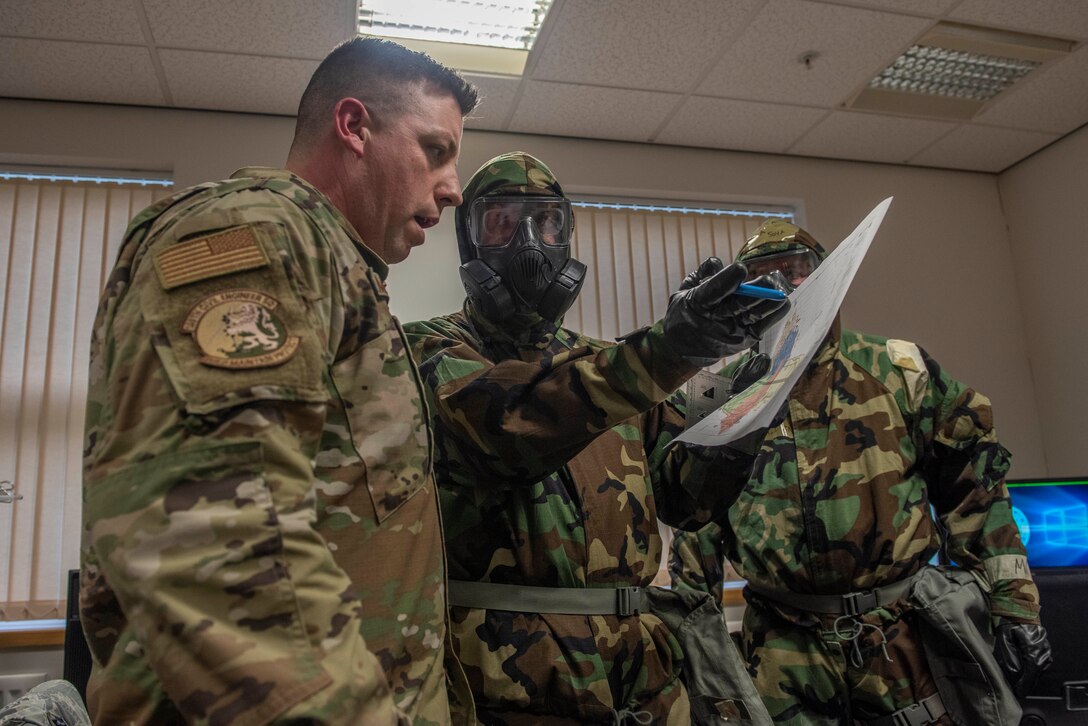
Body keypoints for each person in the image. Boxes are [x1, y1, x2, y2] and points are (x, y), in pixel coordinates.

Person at [79, 38, 478, 725]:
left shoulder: (340, 270)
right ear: (354, 128)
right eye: (435, 151)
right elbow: (220, 541)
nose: (453, 187)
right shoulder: (257, 233)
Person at [403, 152, 789, 724]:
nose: (531, 243)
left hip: (642, 676)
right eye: (503, 222)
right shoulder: (425, 352)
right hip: (508, 681)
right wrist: (670, 350)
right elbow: (511, 431)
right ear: (470, 243)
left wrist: (740, 418)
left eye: (548, 222)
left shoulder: (617, 365)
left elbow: (687, 502)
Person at [669, 220, 1052, 725]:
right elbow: (693, 526)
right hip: (782, 653)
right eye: (763, 275)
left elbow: (975, 492)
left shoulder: (899, 370)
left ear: (830, 276)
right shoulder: (719, 396)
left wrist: (1015, 605)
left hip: (902, 642)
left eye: (797, 271)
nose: (783, 286)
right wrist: (694, 659)